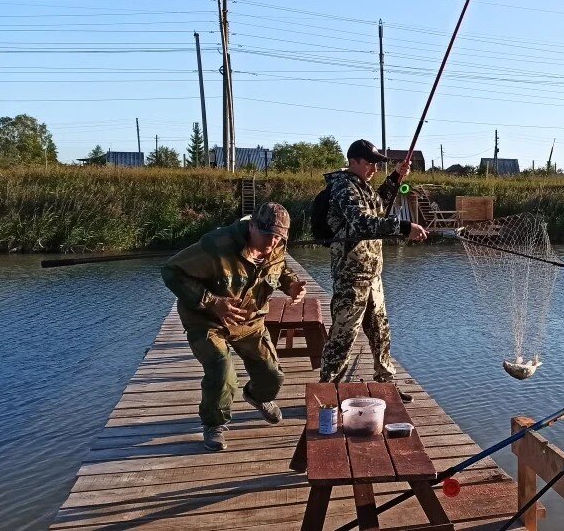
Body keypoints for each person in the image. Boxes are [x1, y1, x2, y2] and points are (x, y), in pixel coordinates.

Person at [161, 202, 307, 451]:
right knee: (222, 371)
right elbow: (171, 271)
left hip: (249, 321)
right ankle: (214, 424)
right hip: (207, 320)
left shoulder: (276, 246)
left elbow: (280, 269)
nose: (272, 243)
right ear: (251, 226)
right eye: (267, 235)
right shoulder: (216, 247)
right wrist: (212, 302)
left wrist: (291, 285)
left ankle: (256, 396)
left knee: (272, 377)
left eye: (278, 237)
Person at [317, 139, 427, 396]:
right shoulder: (343, 187)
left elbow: (378, 205)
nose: (374, 169)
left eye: (377, 165)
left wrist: (395, 178)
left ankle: (386, 385)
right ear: (353, 161)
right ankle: (328, 390)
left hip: (372, 275)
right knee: (343, 337)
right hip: (351, 277)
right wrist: (404, 228)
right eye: (370, 163)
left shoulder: (362, 187)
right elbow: (362, 223)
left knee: (381, 333)